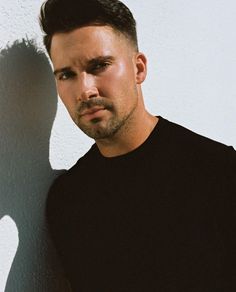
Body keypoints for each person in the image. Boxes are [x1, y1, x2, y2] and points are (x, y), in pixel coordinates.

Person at [39, 0, 236, 291]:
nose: (85, 90)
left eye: (99, 66)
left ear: (138, 68)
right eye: (67, 74)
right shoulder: (67, 201)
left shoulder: (219, 171)